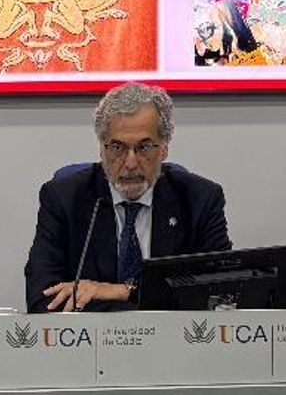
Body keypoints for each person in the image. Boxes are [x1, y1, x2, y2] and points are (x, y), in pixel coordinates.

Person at [23, 82, 231, 312]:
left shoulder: (200, 200)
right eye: (117, 147)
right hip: (93, 336)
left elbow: (220, 295)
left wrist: (123, 291)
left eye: (144, 147)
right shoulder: (64, 199)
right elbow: (42, 300)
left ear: (164, 148)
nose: (130, 163)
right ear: (101, 149)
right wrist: (138, 313)